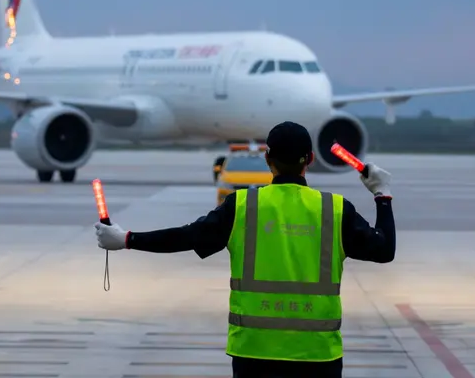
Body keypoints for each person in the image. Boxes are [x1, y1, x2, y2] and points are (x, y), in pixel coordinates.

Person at [94, 121, 395, 378]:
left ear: (268, 159)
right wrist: (382, 194)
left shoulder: (241, 207)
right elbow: (384, 249)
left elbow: (185, 237)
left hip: (253, 354)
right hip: (317, 356)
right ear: (310, 159)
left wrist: (126, 239)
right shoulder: (335, 210)